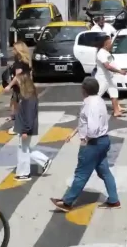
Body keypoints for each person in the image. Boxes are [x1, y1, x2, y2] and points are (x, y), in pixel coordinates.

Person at [51, 77, 119, 212]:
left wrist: (85, 140)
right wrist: (75, 132)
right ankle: (114, 199)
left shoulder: (90, 105)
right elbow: (85, 122)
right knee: (104, 171)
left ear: (84, 90)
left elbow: (92, 128)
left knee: (81, 173)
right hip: (103, 141)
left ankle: (67, 202)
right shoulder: (98, 100)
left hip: (93, 143)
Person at [12, 73, 50, 181]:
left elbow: (29, 115)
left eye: (18, 81)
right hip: (23, 126)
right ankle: (44, 161)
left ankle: (24, 173)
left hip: (25, 128)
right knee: (25, 148)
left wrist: (25, 130)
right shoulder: (25, 95)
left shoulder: (28, 98)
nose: (16, 82)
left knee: (23, 149)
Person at [95, 35, 127, 117]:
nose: (111, 44)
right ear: (105, 44)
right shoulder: (101, 53)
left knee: (114, 92)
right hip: (102, 78)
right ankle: (87, 110)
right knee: (97, 95)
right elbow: (107, 66)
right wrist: (119, 71)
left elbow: (111, 63)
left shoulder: (106, 52)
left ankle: (116, 111)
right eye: (110, 43)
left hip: (109, 78)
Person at [5, 42, 33, 134]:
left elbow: (18, 76)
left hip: (19, 88)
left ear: (18, 50)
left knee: (18, 107)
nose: (12, 51)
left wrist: (9, 86)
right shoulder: (26, 61)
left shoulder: (19, 63)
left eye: (14, 49)